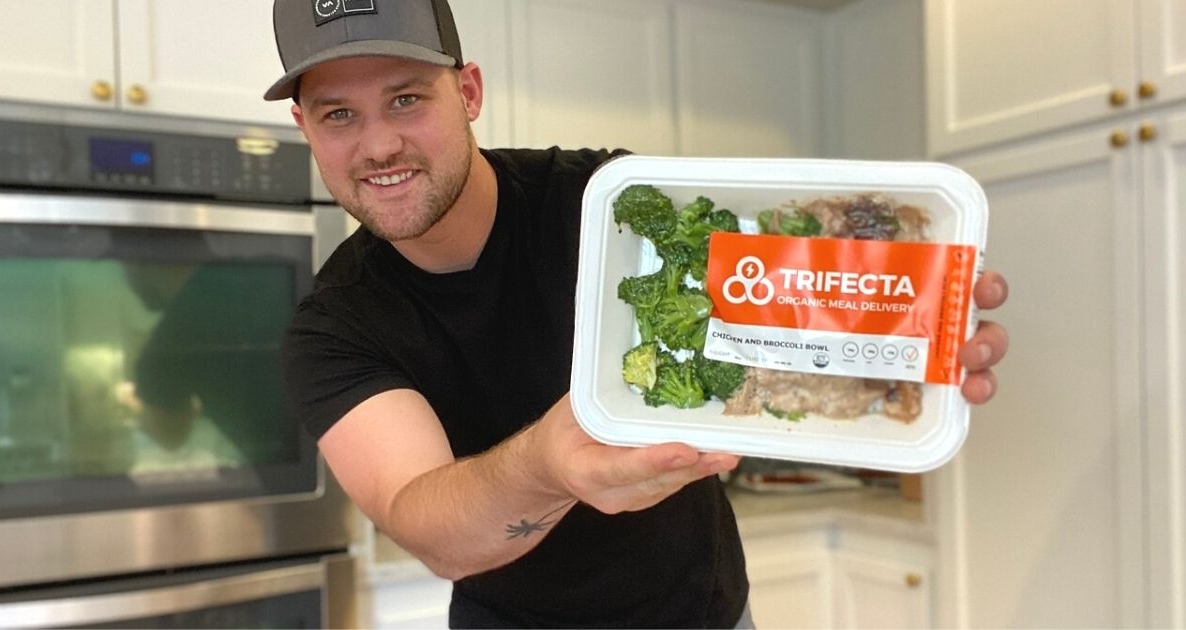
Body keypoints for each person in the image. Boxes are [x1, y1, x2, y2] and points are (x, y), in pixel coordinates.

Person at [264, 1, 1011, 627]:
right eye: (339, 114)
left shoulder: (612, 200)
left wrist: (898, 323)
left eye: (406, 97)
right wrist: (547, 463)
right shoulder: (335, 327)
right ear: (306, 127)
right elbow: (428, 524)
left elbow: (774, 299)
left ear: (468, 92)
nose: (380, 143)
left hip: (710, 613)